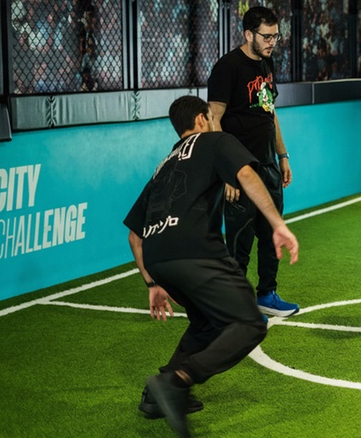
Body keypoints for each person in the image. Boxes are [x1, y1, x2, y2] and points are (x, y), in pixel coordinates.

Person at [124, 95, 299, 437]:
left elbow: (135, 236)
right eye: (212, 116)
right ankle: (177, 381)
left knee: (206, 322)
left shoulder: (164, 163)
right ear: (203, 119)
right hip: (196, 250)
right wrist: (277, 224)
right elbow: (247, 173)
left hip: (158, 258)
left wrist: (152, 283)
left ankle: (154, 397)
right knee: (250, 323)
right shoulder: (217, 140)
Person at [207, 6, 299, 317]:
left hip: (268, 166)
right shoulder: (227, 68)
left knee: (272, 232)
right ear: (249, 34)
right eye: (267, 36)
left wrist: (282, 155)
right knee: (240, 241)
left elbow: (269, 112)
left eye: (276, 36)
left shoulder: (266, 63)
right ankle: (236, 303)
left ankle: (267, 295)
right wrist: (227, 171)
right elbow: (213, 120)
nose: (273, 41)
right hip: (241, 171)